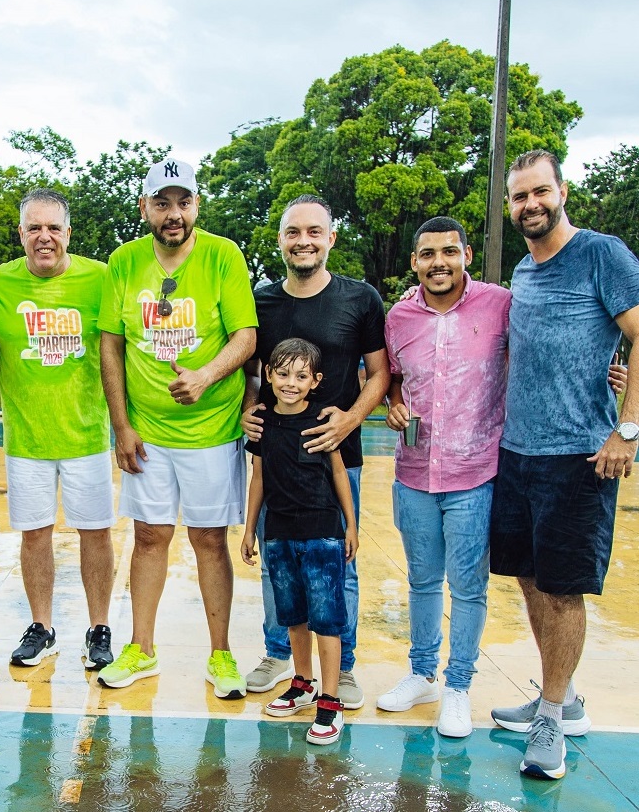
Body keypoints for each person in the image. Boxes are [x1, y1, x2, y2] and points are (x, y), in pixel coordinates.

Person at [488, 150, 639, 779]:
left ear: (562, 191)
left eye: (539, 192)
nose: (531, 205)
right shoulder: (523, 271)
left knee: (563, 587)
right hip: (518, 451)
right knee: (528, 576)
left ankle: (553, 714)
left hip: (579, 455)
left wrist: (626, 429)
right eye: (519, 197)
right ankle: (562, 694)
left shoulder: (602, 255)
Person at [97, 157, 257, 697]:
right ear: (145, 207)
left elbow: (245, 336)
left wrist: (207, 376)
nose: (173, 213)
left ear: (196, 206)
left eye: (183, 202)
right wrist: (121, 425)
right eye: (162, 203)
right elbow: (111, 344)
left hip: (210, 430)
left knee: (210, 540)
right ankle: (141, 648)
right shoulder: (123, 262)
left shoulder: (222, 255)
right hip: (147, 433)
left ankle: (221, 655)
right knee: (148, 537)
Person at [242, 194, 389, 710]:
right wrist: (247, 407)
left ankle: (341, 667)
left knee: (337, 566)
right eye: (292, 232)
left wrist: (351, 418)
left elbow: (380, 372)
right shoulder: (260, 301)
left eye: (313, 232)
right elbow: (251, 370)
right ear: (280, 240)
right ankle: (279, 654)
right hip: (276, 456)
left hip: (335, 456)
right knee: (276, 561)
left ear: (330, 239)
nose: (302, 241)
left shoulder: (360, 298)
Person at [380, 216, 510, 737]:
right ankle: (422, 673)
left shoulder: (500, 305)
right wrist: (392, 404)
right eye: (428, 254)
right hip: (413, 473)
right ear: (414, 262)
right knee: (422, 581)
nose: (439, 262)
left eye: (449, 252)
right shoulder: (399, 317)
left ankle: (458, 685)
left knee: (469, 586)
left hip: (476, 472)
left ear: (466, 256)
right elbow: (389, 379)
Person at [0, 189, 115, 670]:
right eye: (33, 228)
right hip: (26, 439)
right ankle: (42, 627)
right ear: (20, 233)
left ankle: (99, 627)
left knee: (95, 534)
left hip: (87, 436)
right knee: (34, 536)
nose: (44, 237)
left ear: (68, 233)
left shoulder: (101, 278)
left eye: (53, 227)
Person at [241, 338, 358, 745]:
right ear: (269, 375)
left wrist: (351, 526)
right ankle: (302, 683)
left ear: (315, 381)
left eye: (301, 375)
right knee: (293, 616)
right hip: (279, 534)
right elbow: (258, 478)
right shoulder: (261, 423)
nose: (291, 382)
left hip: (322, 533)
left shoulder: (323, 421)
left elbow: (340, 473)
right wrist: (249, 528)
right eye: (284, 373)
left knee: (327, 620)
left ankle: (330, 701)